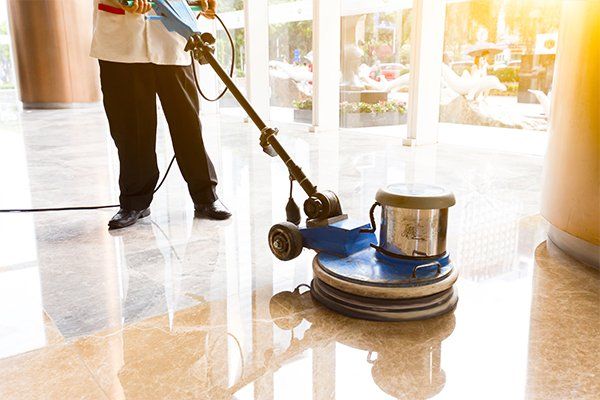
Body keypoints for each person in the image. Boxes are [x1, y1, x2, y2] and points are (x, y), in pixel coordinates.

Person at [91, 0, 231, 230]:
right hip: (121, 39)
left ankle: (206, 196)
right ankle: (134, 201)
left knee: (187, 124)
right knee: (129, 127)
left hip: (171, 37)